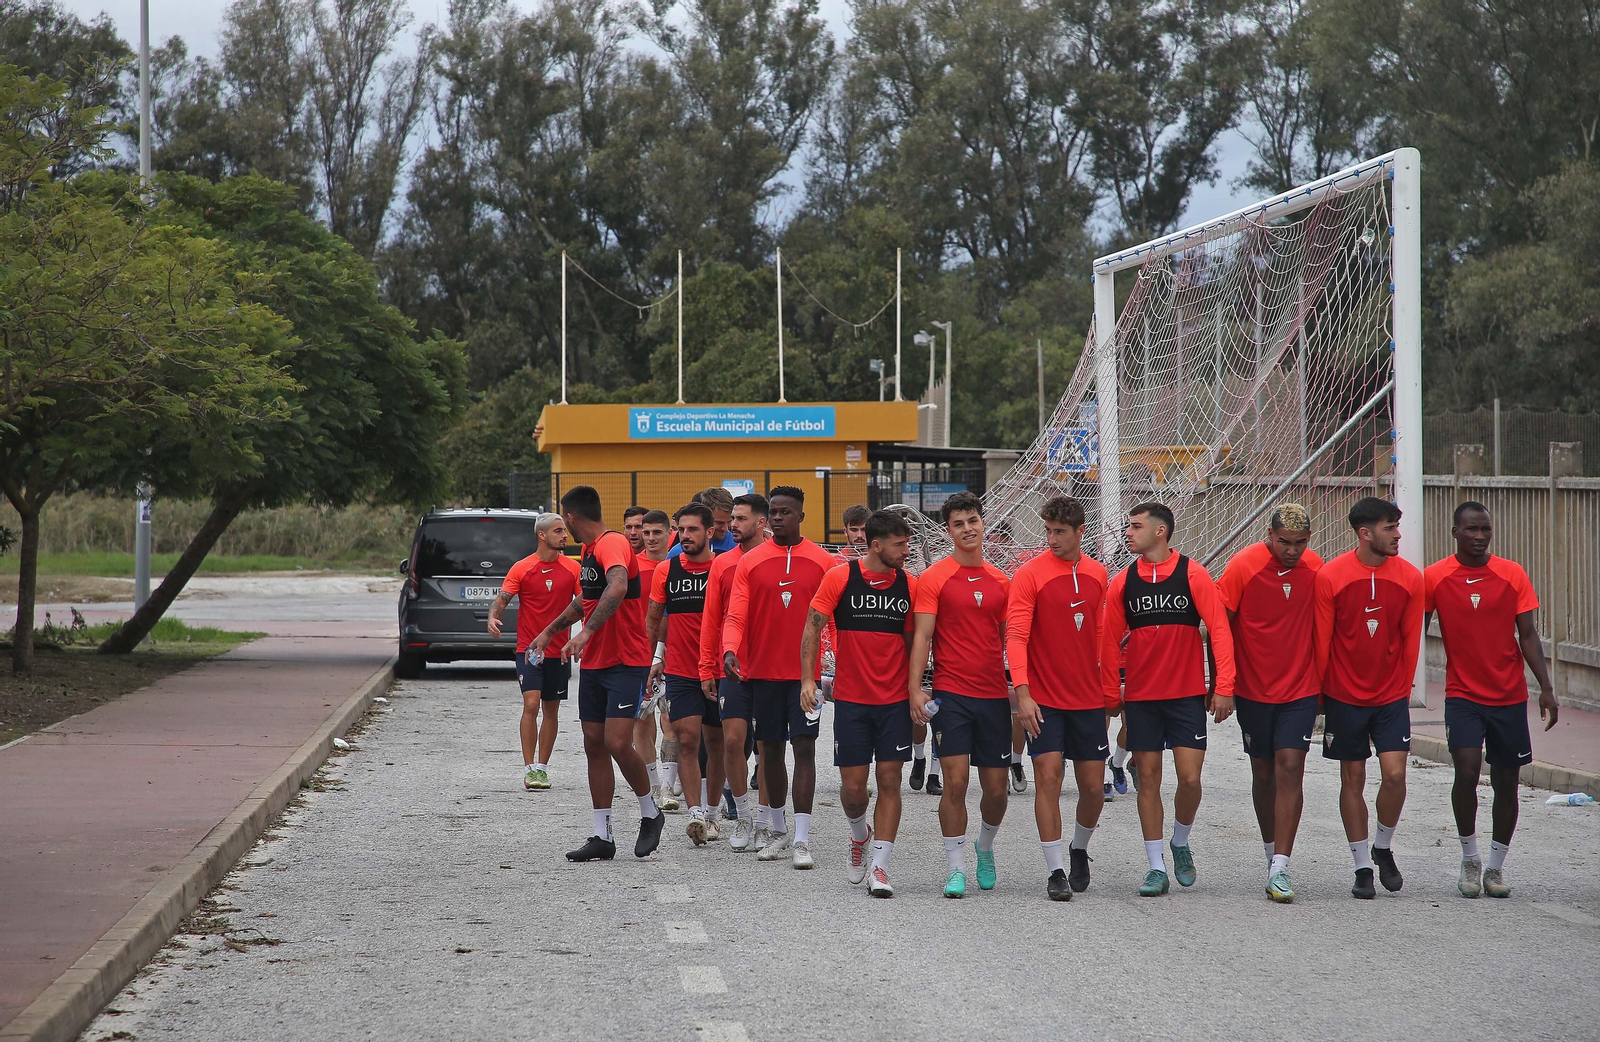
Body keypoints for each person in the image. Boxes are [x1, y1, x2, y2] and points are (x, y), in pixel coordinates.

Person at [1100, 502, 1235, 898]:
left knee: (1190, 779)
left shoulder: (1193, 574)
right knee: (1148, 780)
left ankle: (1180, 840)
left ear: (1160, 531)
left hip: (1186, 695)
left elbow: (1219, 629)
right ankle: (1155, 866)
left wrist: (1224, 686)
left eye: (1135, 526)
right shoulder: (1123, 582)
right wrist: (1109, 693)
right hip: (1142, 697)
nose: (1128, 532)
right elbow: (1107, 642)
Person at [1425, 501, 1557, 899]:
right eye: (1471, 529)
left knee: (1506, 782)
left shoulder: (1512, 574)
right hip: (1461, 695)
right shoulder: (1435, 576)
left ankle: (1496, 867)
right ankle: (1470, 858)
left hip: (1508, 696)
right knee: (1466, 771)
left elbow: (1528, 635)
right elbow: (1414, 631)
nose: (1479, 536)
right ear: (1455, 532)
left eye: (1485, 529)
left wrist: (1546, 688)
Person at [531, 486, 665, 862]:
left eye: (564, 521)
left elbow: (618, 586)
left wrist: (586, 632)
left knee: (618, 742)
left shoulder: (612, 544)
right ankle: (602, 835)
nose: (565, 528)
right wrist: (551, 631)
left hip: (626, 660)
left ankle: (650, 813)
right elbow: (586, 599)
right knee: (593, 743)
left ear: (571, 517)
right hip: (594, 663)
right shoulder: (589, 551)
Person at [1314, 496, 1425, 899]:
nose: (1397, 535)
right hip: (1344, 695)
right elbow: (1322, 639)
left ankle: (1382, 846)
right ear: (1365, 533)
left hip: (1390, 697)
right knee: (1353, 778)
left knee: (1395, 775)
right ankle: (1362, 866)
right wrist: (1321, 693)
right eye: (1389, 528)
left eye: (1397, 527)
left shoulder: (1411, 578)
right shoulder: (1330, 576)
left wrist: (1403, 687)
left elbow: (1411, 640)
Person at [722, 486, 837, 868]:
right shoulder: (751, 562)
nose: (777, 517)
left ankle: (802, 840)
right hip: (763, 674)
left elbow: (834, 619)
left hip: (806, 679)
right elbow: (736, 613)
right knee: (769, 750)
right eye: (773, 511)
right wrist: (730, 648)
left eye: (786, 512)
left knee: (804, 748)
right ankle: (778, 828)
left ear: (801, 516)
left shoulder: (823, 561)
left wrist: (836, 664)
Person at [803, 509, 916, 897]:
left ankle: (880, 868)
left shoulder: (910, 585)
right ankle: (859, 835)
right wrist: (808, 680)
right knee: (853, 790)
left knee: (890, 780)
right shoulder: (840, 577)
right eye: (900, 544)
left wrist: (917, 689)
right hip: (852, 700)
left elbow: (916, 644)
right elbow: (812, 628)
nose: (906, 551)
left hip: (895, 701)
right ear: (876, 545)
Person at [1216, 502, 1323, 903]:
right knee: (1263, 774)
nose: (1292, 551)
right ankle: (1269, 853)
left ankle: (1281, 865)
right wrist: (1223, 684)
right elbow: (1219, 626)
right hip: (1253, 691)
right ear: (1270, 535)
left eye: (1300, 543)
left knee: (1290, 767)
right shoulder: (1243, 566)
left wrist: (1325, 685)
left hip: (1300, 689)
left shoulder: (1316, 568)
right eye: (1284, 542)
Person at [909, 491, 1012, 899]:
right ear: (948, 530)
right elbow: (922, 637)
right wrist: (915, 689)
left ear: (982, 523)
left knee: (997, 790)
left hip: (993, 697)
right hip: (951, 695)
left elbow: (1006, 641)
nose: (967, 529)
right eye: (958, 523)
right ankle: (955, 868)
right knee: (954, 782)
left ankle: (984, 846)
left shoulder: (1002, 581)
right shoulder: (935, 578)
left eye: (973, 520)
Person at [1008, 496, 1111, 900]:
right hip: (1044, 699)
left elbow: (1101, 635)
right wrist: (1023, 694)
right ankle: (1055, 872)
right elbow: (1016, 637)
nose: (1051, 539)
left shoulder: (1099, 573)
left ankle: (1079, 849)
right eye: (1048, 530)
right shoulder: (1029, 575)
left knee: (1093, 788)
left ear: (1079, 532)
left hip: (1088, 700)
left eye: (1060, 532)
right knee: (1048, 778)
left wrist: (1108, 690)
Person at [648, 503, 724, 846]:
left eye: (692, 529)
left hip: (719, 670)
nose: (684, 535)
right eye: (681, 529)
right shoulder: (666, 570)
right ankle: (696, 814)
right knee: (688, 740)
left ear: (710, 531)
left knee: (718, 744)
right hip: (680, 669)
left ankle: (713, 812)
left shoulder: (723, 568)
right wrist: (653, 658)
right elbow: (654, 620)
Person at [487, 513, 580, 791]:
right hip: (528, 650)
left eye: (564, 530)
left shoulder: (572, 568)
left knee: (551, 708)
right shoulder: (522, 567)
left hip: (558, 651)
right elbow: (501, 600)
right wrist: (492, 617)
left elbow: (585, 603)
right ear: (542, 535)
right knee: (531, 704)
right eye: (558, 531)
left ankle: (542, 768)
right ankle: (529, 769)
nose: (564, 535)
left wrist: (587, 635)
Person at [701, 493, 769, 850]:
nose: (732, 525)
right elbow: (711, 619)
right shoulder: (723, 563)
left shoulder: (776, 559)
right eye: (733, 519)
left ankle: (766, 820)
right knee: (732, 741)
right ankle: (742, 816)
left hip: (771, 667)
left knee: (767, 746)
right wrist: (706, 667)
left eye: (740, 519)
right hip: (732, 667)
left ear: (761, 522)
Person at [633, 509, 679, 812]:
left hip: (675, 653)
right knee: (641, 719)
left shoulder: (678, 565)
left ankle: (668, 786)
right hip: (638, 653)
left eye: (656, 532)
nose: (649, 538)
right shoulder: (631, 567)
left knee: (672, 719)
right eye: (645, 532)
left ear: (669, 534)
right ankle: (652, 785)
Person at [671, 487, 738, 556]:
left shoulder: (738, 545)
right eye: (719, 523)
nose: (725, 528)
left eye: (729, 521)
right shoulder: (678, 552)